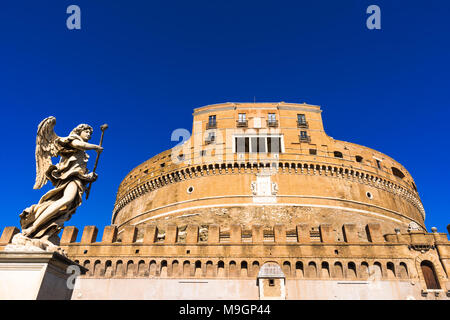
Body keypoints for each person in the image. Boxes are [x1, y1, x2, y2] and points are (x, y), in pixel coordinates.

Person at [20, 123, 103, 241]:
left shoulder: (83, 153)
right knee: (67, 200)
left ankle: (46, 233)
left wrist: (89, 177)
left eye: (90, 133)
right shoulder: (72, 141)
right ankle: (33, 228)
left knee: (65, 209)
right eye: (87, 132)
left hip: (75, 179)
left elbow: (79, 171)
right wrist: (95, 147)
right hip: (69, 178)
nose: (89, 135)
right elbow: (78, 145)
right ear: (79, 131)